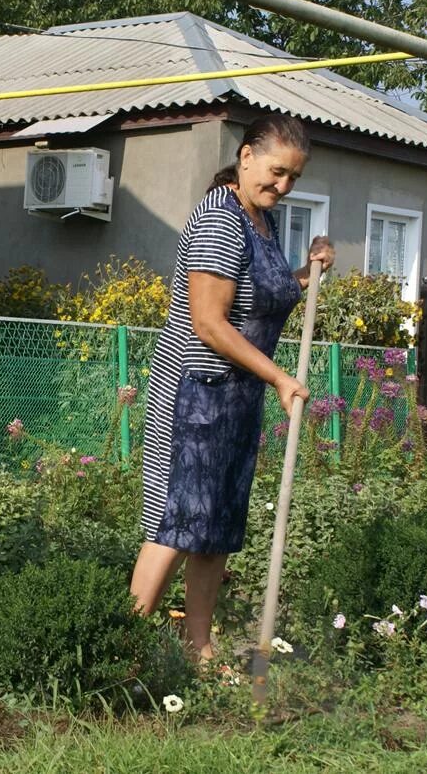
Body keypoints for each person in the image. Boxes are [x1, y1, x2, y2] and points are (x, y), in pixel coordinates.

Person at [129, 114, 335, 661]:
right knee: (177, 521)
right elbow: (210, 322)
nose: (283, 186)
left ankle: (199, 650)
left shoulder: (260, 222)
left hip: (237, 397)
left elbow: (261, 297)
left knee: (216, 527)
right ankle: (122, 647)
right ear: (245, 157)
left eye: (293, 177)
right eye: (275, 172)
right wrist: (279, 375)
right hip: (197, 390)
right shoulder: (221, 218)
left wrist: (308, 274)